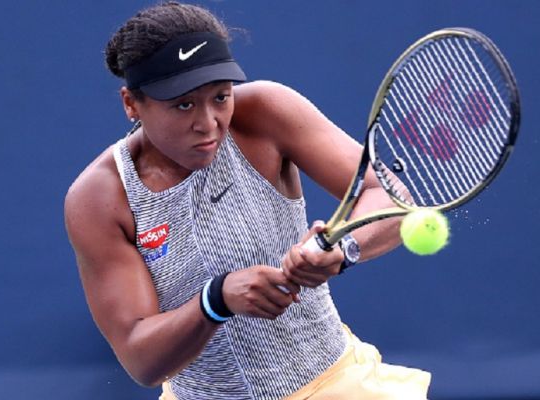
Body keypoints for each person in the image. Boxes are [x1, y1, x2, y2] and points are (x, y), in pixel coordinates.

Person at [64, 2, 431, 399]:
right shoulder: (99, 197)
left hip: (338, 386)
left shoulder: (266, 111)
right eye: (183, 104)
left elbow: (389, 196)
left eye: (220, 97)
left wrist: (344, 249)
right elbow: (142, 359)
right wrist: (215, 300)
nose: (208, 123)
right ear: (131, 103)